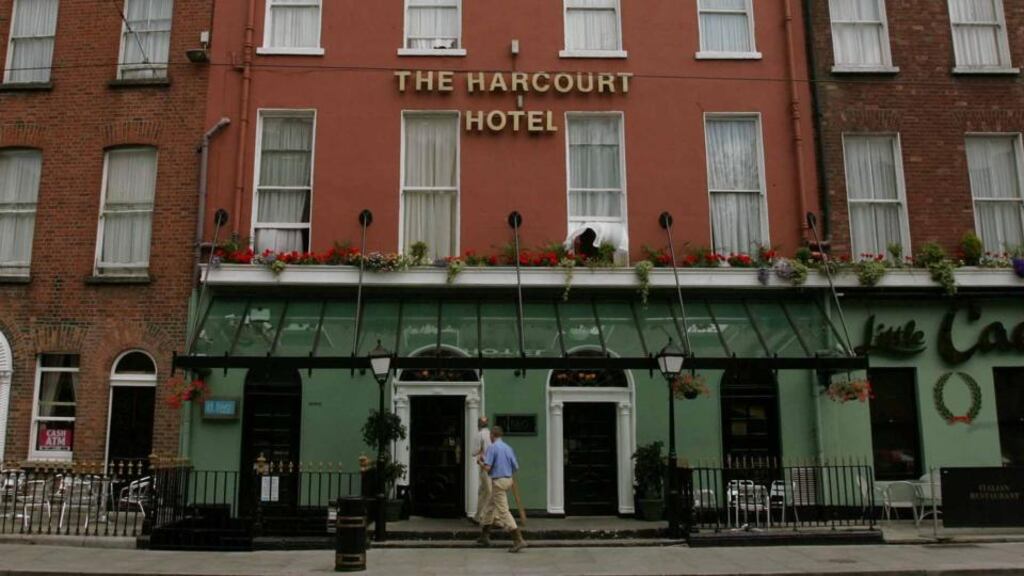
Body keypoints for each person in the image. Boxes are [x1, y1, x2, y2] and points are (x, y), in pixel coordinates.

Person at [478, 426, 527, 553]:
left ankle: (518, 539)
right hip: (508, 480)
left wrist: (480, 463)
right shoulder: (508, 448)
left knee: (503, 511)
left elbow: (487, 468)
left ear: (492, 435)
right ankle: (484, 535)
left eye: (490, 435)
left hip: (498, 482)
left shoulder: (492, 448)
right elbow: (515, 467)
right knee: (490, 506)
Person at [472, 416, 493, 525]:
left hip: (485, 466)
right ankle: (479, 516)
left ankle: (482, 516)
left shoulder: (480, 435)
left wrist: (480, 451)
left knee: (487, 491)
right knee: (484, 491)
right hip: (494, 466)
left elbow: (474, 452)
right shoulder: (492, 434)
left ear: (478, 424)